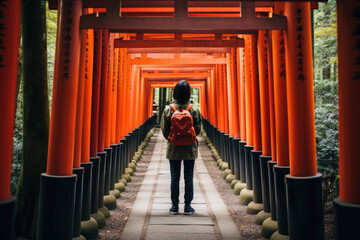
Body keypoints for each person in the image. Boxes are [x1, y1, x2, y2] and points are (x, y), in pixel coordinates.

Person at [160, 80, 202, 215]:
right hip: (190, 148)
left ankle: (174, 206)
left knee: (174, 176)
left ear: (175, 93)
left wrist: (173, 139)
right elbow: (198, 129)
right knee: (189, 176)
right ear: (189, 93)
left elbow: (164, 130)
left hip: (174, 148)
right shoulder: (194, 109)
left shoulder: (168, 109)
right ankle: (188, 206)